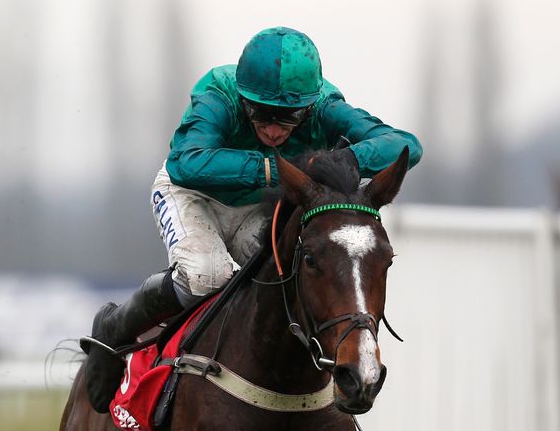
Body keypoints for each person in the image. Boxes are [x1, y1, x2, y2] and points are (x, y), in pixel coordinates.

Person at [81, 26, 423, 412]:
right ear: (244, 99)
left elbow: (406, 145)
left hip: (254, 209)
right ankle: (115, 328)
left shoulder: (325, 104)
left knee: (284, 276)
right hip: (192, 196)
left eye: (288, 116)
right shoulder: (219, 95)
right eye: (261, 113)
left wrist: (343, 161)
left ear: (309, 106)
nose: (274, 129)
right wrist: (277, 170)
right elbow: (185, 162)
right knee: (206, 276)